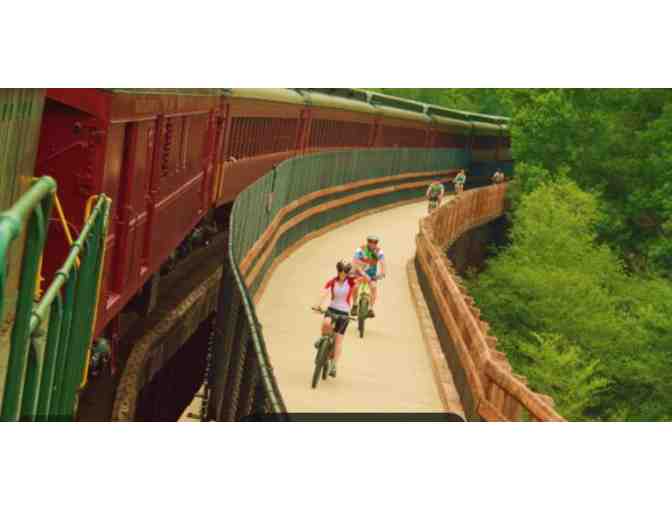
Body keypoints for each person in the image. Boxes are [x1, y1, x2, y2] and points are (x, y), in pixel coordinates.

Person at [313, 260, 359, 377]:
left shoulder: (351, 282)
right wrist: (317, 305)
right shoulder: (333, 281)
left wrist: (355, 305)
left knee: (338, 340)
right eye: (340, 271)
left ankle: (333, 365)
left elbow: (356, 290)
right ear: (338, 271)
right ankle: (322, 339)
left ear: (347, 272)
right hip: (332, 309)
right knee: (326, 323)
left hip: (344, 313)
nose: (342, 274)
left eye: (345, 272)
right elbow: (324, 292)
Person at [351, 235, 386, 318]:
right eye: (370, 241)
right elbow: (355, 262)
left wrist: (383, 272)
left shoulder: (379, 251)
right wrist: (362, 274)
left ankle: (370, 309)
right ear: (367, 242)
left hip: (371, 275)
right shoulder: (360, 250)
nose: (373, 244)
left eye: (375, 242)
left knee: (373, 288)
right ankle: (355, 305)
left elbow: (383, 262)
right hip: (359, 273)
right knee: (355, 286)